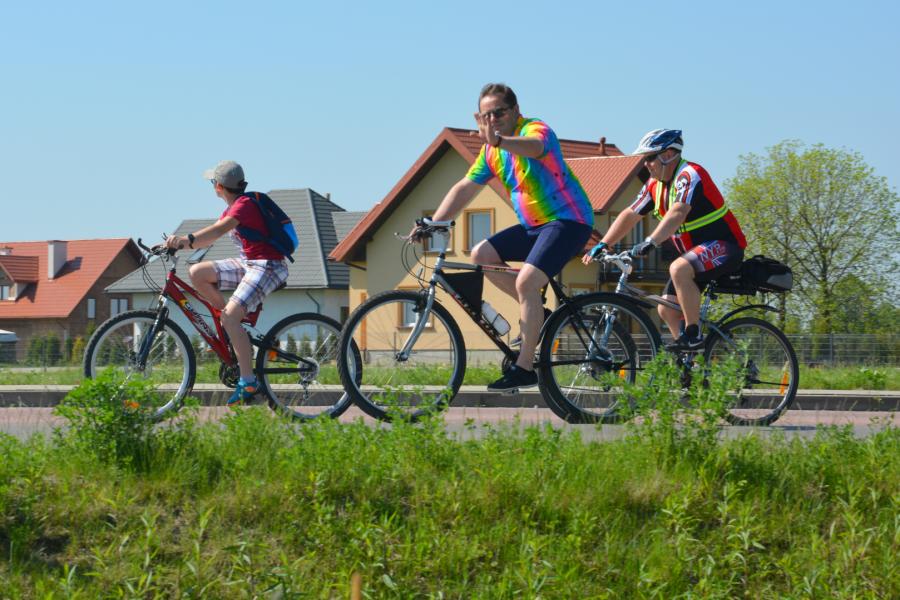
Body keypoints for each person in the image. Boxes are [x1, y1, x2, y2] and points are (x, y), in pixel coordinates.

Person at [412, 83, 594, 391]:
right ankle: (539, 313)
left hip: (568, 220)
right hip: (534, 226)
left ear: (516, 111)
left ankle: (524, 368)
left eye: (499, 113)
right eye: (487, 116)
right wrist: (433, 222)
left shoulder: (535, 129)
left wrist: (499, 141)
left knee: (526, 282)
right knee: (481, 254)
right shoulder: (490, 152)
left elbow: (535, 147)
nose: (493, 120)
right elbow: (465, 187)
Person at [582, 129, 747, 350]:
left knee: (678, 268)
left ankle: (693, 336)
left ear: (668, 155)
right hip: (695, 257)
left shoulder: (689, 174)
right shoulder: (654, 184)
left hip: (725, 246)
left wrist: (650, 241)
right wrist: (604, 243)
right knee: (666, 308)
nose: (646, 164)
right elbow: (631, 213)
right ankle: (691, 361)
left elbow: (678, 212)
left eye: (650, 158)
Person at [165, 160, 289, 404]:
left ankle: (248, 382)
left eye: (213, 182)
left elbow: (216, 231)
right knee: (198, 273)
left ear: (218, 186)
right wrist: (171, 244)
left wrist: (182, 240)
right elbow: (206, 239)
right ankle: (232, 329)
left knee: (230, 317)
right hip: (249, 264)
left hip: (268, 266)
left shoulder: (244, 206)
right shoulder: (233, 208)